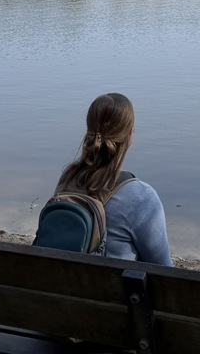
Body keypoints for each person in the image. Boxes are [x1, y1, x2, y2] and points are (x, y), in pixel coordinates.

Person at [55, 92, 172, 265]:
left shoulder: (68, 178)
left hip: (61, 286)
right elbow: (163, 268)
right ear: (130, 135)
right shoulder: (140, 197)